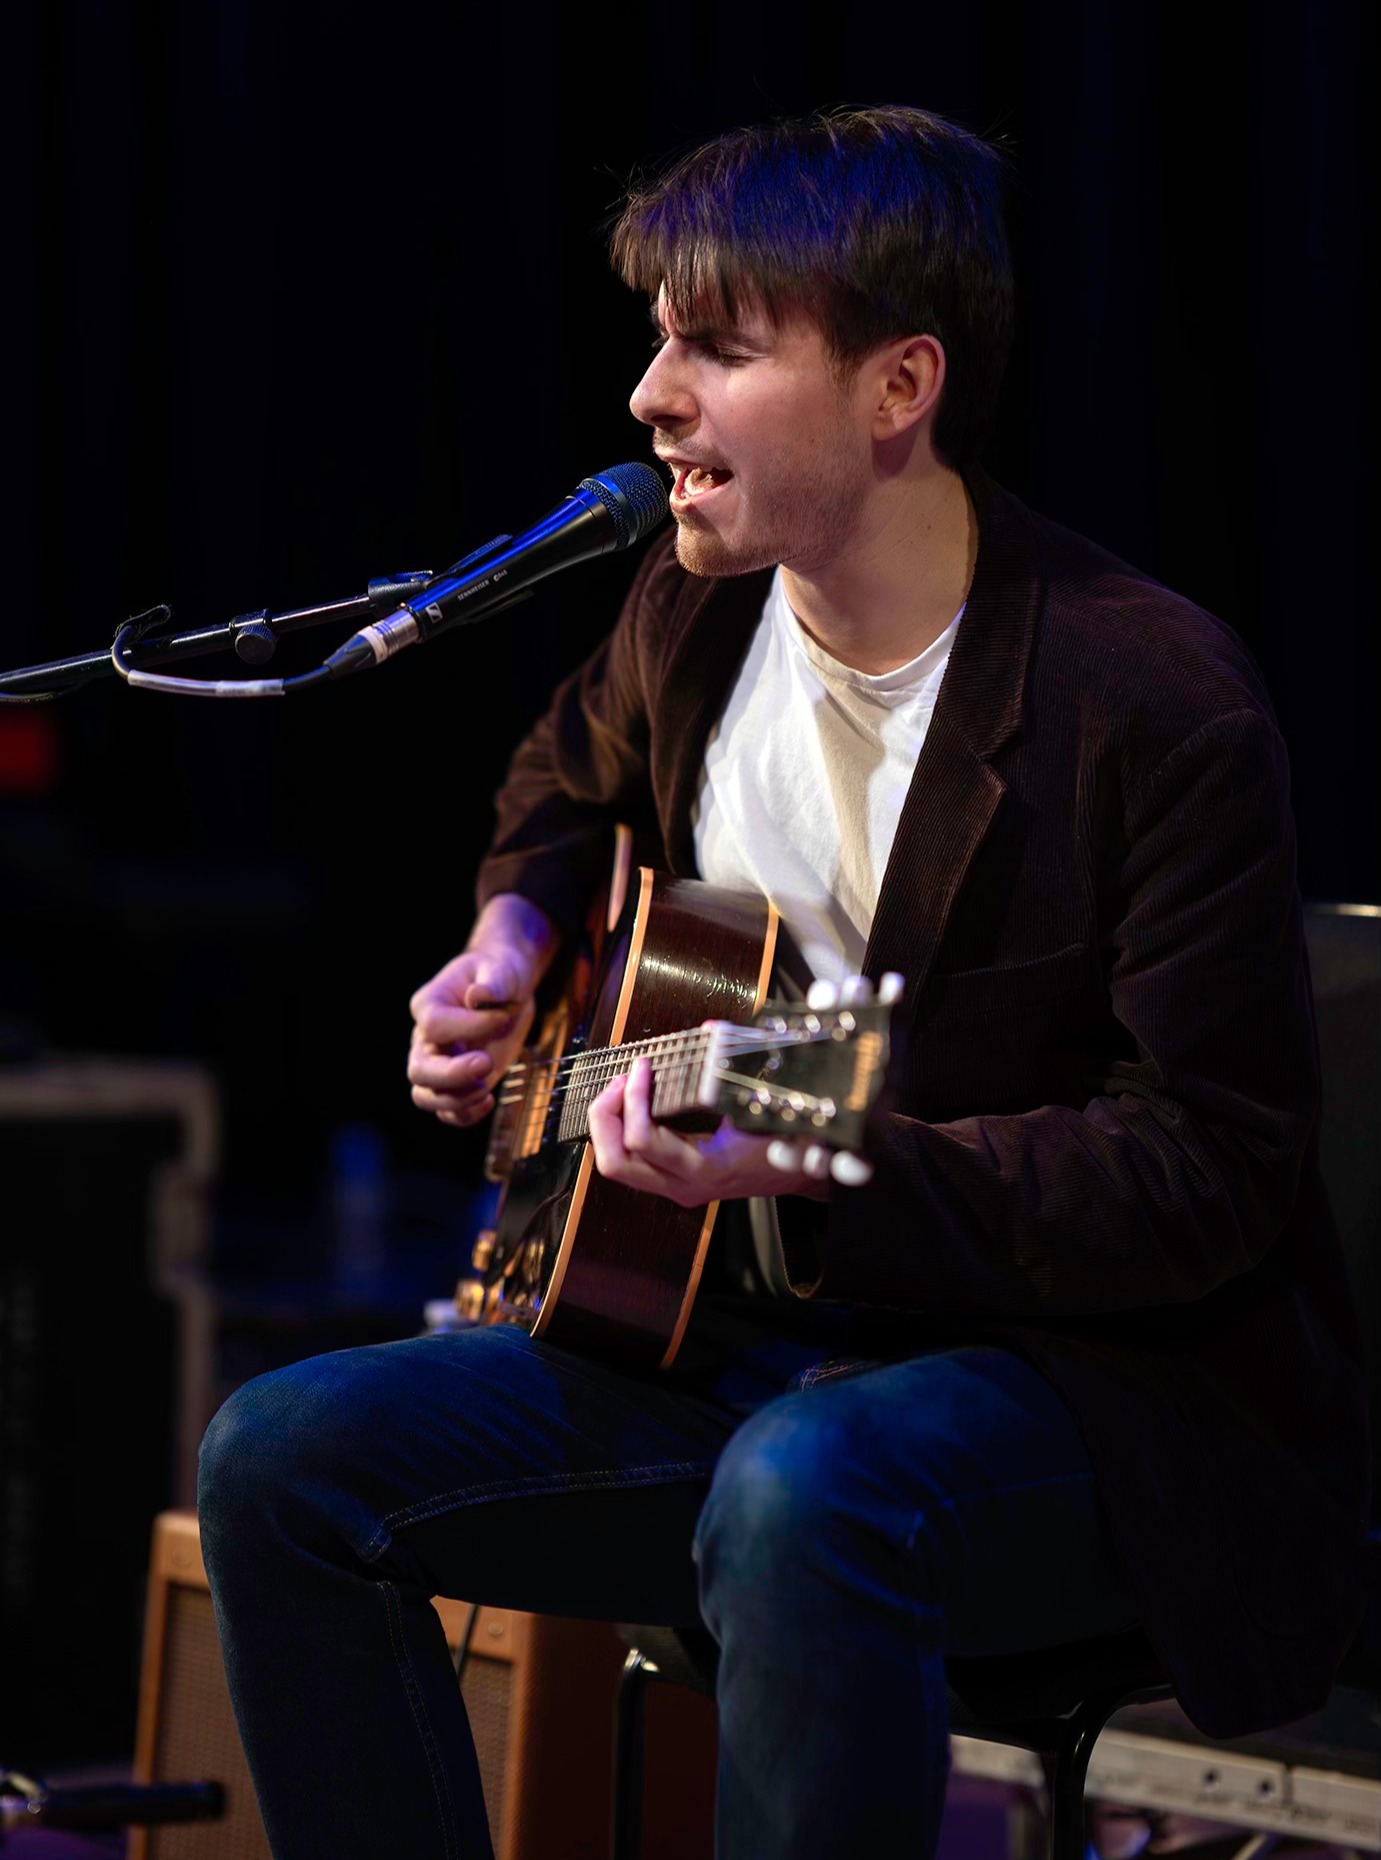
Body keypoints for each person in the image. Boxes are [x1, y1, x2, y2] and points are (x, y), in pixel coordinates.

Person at [197, 106, 1369, 1860]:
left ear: (898, 389)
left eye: (717, 348)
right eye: (659, 338)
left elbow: (1204, 1163)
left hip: (1090, 1401)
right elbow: (553, 784)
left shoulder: (1151, 697)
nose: (649, 397)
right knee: (280, 1456)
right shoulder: (690, 615)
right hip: (730, 1346)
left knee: (806, 1488)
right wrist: (513, 947)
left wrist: (821, 1173)